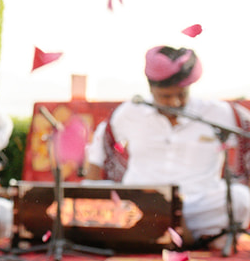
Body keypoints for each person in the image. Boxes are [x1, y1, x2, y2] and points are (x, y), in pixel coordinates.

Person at [84, 45, 249, 247]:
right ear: (151, 89)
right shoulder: (129, 112)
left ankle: (169, 234)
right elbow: (99, 150)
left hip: (198, 206)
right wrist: (91, 195)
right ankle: (194, 238)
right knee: (94, 193)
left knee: (240, 198)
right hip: (141, 205)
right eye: (166, 96)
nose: (175, 102)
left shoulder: (218, 113)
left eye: (181, 94)